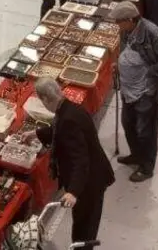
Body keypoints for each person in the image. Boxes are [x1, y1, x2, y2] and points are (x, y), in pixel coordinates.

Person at [31, 78, 114, 245]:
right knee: (83, 223)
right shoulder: (70, 109)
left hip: (90, 182)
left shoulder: (68, 119)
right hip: (91, 174)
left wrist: (73, 192)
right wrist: (37, 134)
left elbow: (80, 159)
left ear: (46, 99)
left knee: (84, 227)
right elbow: (58, 131)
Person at [107, 1, 158, 183]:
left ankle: (147, 166)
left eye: (119, 21)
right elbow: (126, 51)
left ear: (130, 19)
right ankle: (136, 155)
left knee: (145, 131)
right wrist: (121, 65)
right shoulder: (127, 30)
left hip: (145, 92)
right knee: (128, 124)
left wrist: (148, 72)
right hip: (128, 89)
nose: (117, 25)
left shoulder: (152, 34)